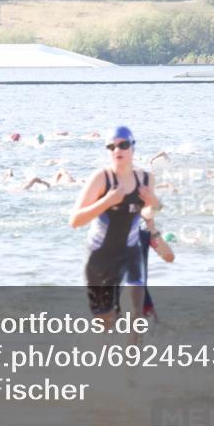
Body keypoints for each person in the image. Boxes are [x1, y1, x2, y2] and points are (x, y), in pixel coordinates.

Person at [70, 126, 160, 322]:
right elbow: (75, 221)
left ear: (133, 148)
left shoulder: (145, 179)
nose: (117, 150)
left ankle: (135, 351)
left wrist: (153, 202)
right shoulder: (101, 179)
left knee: (136, 316)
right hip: (100, 257)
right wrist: (107, 201)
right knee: (106, 323)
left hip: (130, 253)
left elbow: (148, 215)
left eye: (123, 145)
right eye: (112, 146)